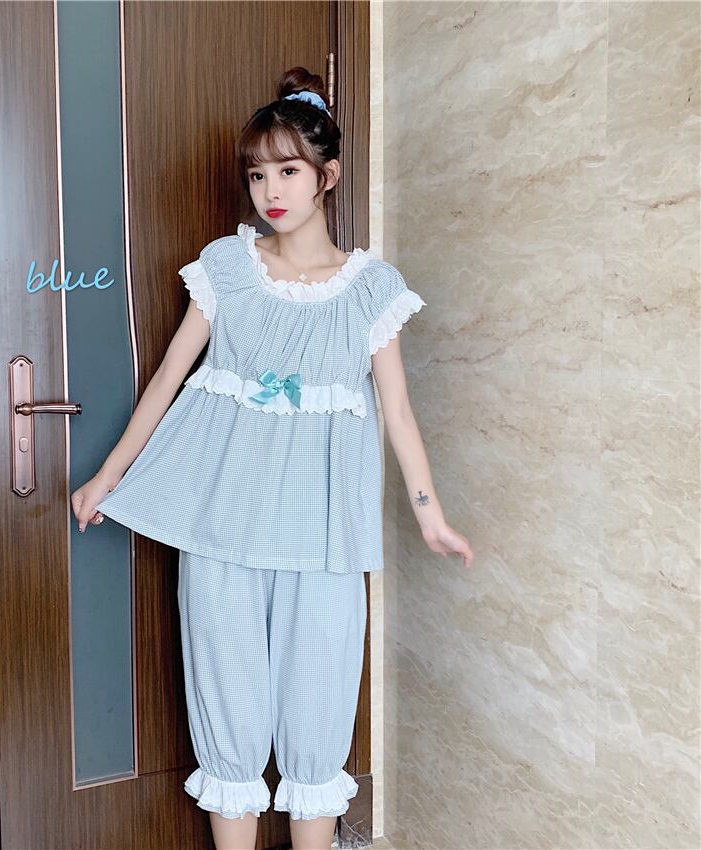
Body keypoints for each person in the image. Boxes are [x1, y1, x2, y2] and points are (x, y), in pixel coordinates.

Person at [71, 66, 474, 850]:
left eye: (288, 171)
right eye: (258, 174)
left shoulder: (372, 289)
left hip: (323, 536)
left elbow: (397, 410)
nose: (270, 191)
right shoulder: (227, 268)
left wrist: (430, 516)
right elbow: (169, 377)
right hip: (222, 526)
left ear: (328, 175)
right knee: (227, 710)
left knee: (319, 710)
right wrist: (108, 476)